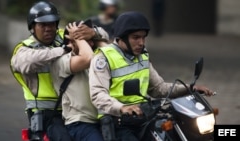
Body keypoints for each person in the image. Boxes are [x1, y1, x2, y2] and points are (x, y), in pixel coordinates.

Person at [88, 11, 214, 141]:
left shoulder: (142, 56)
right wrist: (122, 108)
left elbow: (158, 88)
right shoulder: (103, 58)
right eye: (136, 37)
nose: (141, 43)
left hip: (143, 116)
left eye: (143, 37)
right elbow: (98, 94)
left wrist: (190, 88)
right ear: (121, 37)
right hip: (117, 121)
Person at [10, 1, 103, 140]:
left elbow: (106, 35)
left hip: (74, 110)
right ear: (32, 27)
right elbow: (27, 62)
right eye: (42, 25)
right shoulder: (24, 49)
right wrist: (64, 49)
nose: (48, 28)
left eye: (52, 24)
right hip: (47, 115)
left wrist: (94, 32)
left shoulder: (62, 36)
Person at [50, 20, 109, 141]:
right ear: (72, 42)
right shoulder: (61, 61)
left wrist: (94, 33)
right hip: (80, 123)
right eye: (86, 42)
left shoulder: (97, 59)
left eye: (91, 40)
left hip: (103, 120)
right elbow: (88, 58)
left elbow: (114, 57)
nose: (91, 44)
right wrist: (77, 36)